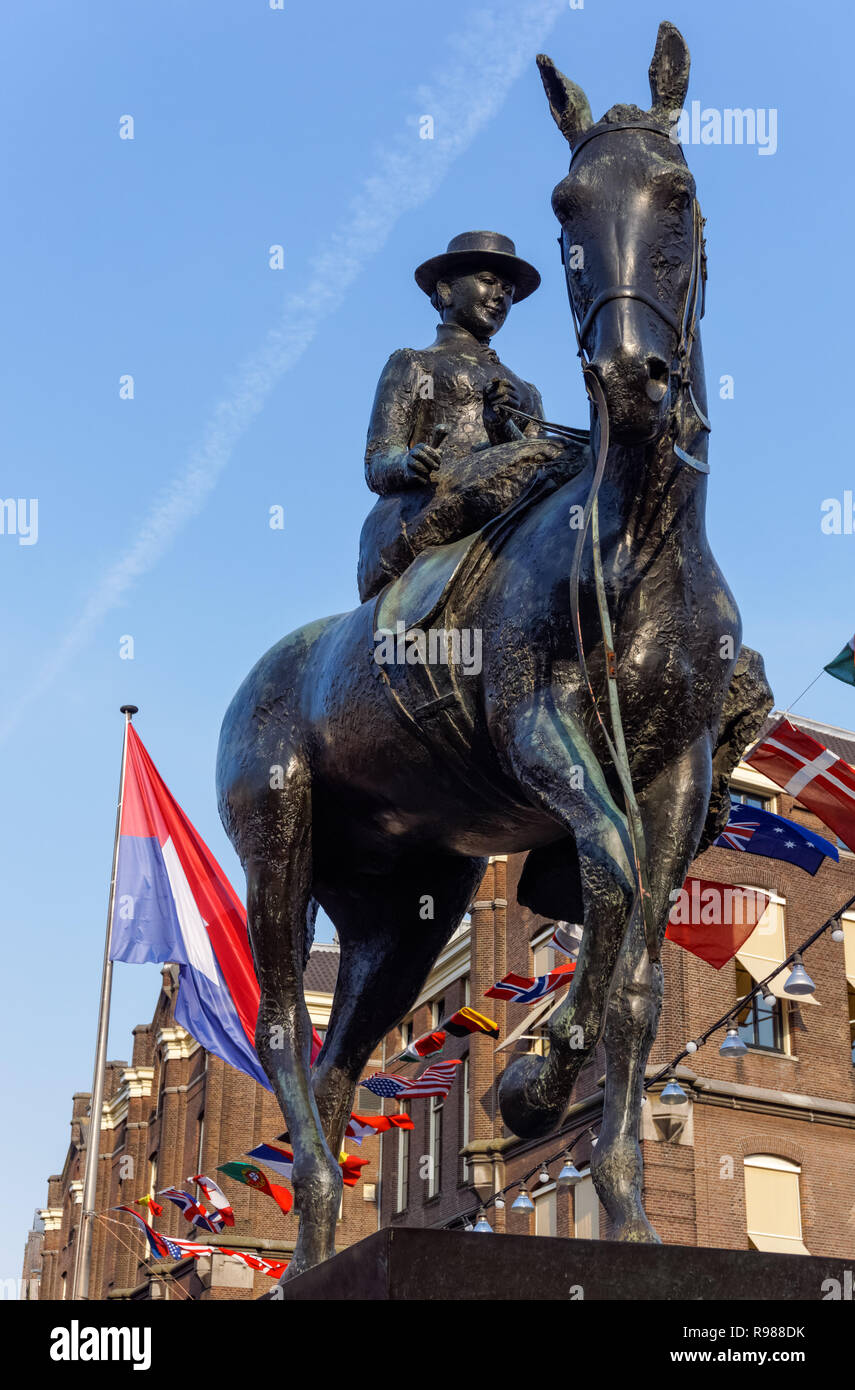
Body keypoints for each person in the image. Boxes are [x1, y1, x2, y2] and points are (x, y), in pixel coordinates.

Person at [357, 231, 583, 601]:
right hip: (424, 508)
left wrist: (500, 424)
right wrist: (408, 463)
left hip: (502, 513)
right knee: (562, 456)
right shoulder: (415, 364)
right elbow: (376, 461)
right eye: (488, 282)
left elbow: (540, 484)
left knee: (570, 461)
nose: (500, 297)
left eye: (508, 289)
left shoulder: (524, 390)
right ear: (445, 290)